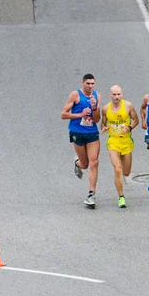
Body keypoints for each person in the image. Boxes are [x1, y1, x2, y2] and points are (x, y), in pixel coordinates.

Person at [61, 74, 102, 207]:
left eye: (92, 84)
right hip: (77, 132)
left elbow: (96, 119)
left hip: (91, 133)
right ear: (82, 83)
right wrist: (80, 115)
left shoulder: (97, 96)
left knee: (94, 162)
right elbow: (63, 114)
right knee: (85, 165)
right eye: (88, 83)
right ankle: (78, 162)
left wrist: (95, 108)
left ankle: (91, 195)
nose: (90, 86)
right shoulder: (75, 95)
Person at [101, 85, 139, 208]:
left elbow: (136, 120)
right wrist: (104, 128)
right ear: (110, 95)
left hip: (126, 141)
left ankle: (122, 173)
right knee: (117, 169)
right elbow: (103, 123)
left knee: (126, 173)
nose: (116, 97)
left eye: (118, 94)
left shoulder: (128, 106)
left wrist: (129, 127)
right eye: (114, 95)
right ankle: (121, 197)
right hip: (113, 141)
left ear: (121, 94)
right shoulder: (106, 109)